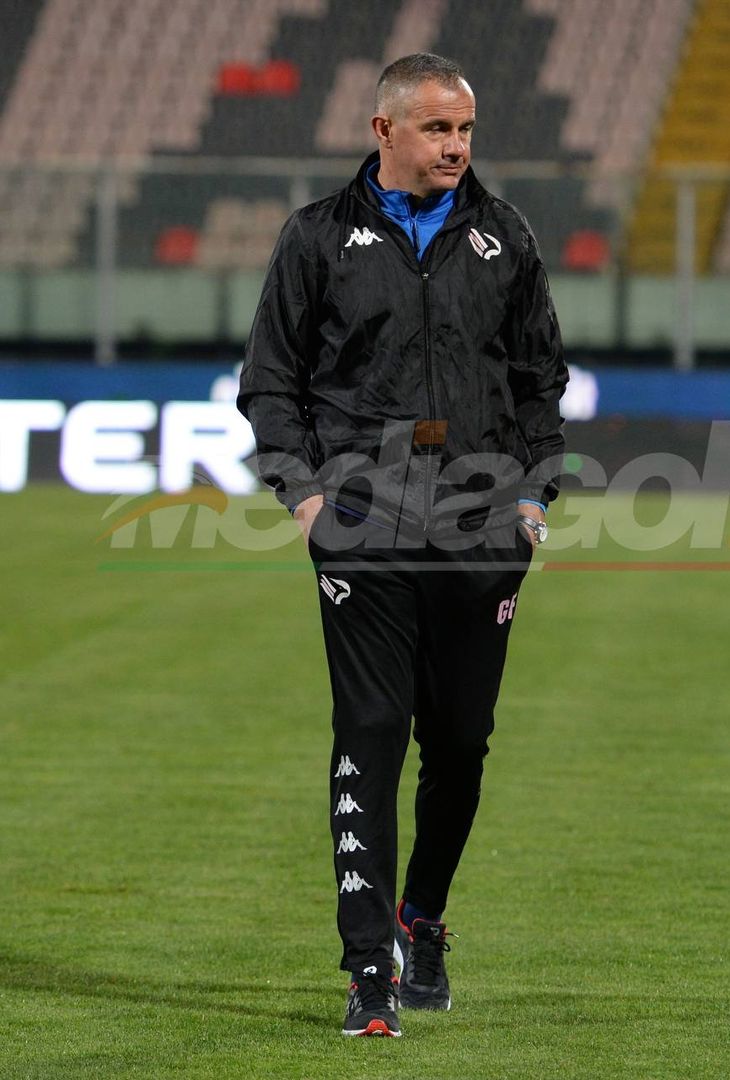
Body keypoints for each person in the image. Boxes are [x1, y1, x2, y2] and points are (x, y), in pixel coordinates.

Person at [238, 52, 568, 1038]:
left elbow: (541, 381)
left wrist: (534, 497)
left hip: (480, 525)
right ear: (383, 129)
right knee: (370, 732)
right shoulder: (315, 238)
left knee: (459, 743)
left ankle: (420, 919)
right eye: (437, 128)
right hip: (363, 527)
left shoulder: (506, 235)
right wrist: (305, 500)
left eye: (464, 129)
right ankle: (367, 971)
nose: (456, 146)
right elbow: (270, 383)